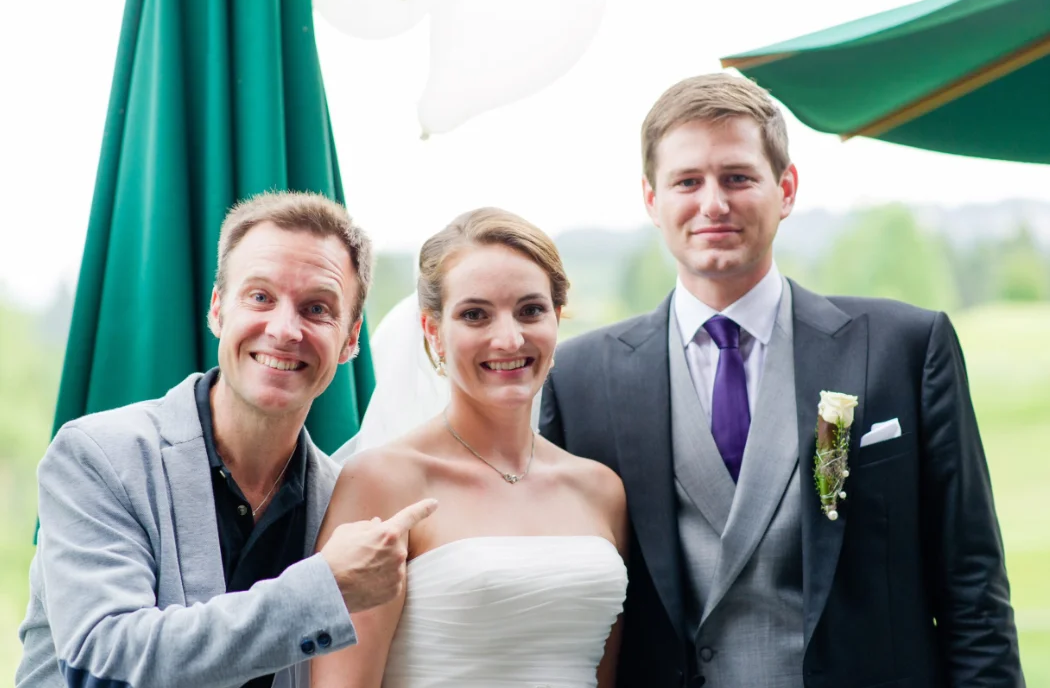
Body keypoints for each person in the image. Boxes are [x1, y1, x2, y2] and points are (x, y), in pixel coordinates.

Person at [540, 73, 1024, 688]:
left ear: (786, 188)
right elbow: (564, 609)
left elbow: (973, 590)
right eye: (687, 181)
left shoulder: (905, 347)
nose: (713, 204)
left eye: (737, 177)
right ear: (651, 199)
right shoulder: (579, 379)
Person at [16, 191, 437, 688]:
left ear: (349, 339)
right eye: (260, 297)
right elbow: (103, 667)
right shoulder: (97, 455)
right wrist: (323, 590)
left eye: (317, 308)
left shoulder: (344, 500)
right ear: (217, 309)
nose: (285, 330)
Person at [311, 208, 628, 688]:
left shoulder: (601, 489)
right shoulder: (382, 482)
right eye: (475, 315)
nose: (509, 338)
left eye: (530, 310)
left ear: (557, 317)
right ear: (433, 332)